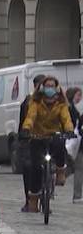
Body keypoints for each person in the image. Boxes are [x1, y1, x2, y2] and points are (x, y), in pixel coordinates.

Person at [21, 75, 74, 211]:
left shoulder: (61, 103)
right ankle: (33, 199)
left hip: (53, 135)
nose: (49, 88)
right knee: (35, 167)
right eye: (47, 86)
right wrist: (27, 129)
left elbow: (66, 118)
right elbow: (31, 117)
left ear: (56, 88)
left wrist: (69, 130)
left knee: (60, 143)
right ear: (43, 88)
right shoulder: (36, 102)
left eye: (52, 86)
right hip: (38, 136)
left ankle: (60, 170)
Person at [19, 74, 47, 211]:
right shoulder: (28, 101)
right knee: (28, 167)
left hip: (47, 138)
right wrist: (24, 136)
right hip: (31, 139)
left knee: (50, 162)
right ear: (36, 86)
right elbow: (23, 121)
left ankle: (48, 194)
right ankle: (29, 200)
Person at [69, 87, 83, 203]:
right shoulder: (70, 109)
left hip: (76, 142)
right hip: (73, 143)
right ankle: (77, 196)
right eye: (78, 95)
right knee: (77, 169)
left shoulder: (76, 109)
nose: (80, 98)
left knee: (73, 168)